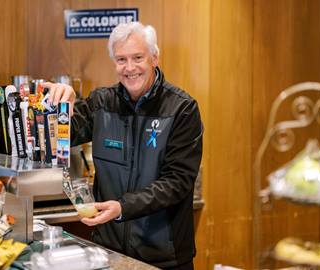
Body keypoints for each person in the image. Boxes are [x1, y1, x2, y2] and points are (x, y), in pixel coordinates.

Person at [43, 21, 203, 270]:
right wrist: (59, 105)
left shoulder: (182, 108)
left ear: (154, 58)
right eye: (121, 59)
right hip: (109, 252)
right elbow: (58, 138)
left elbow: (178, 182)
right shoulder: (101, 102)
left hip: (165, 257)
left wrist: (122, 207)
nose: (130, 68)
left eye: (138, 57)